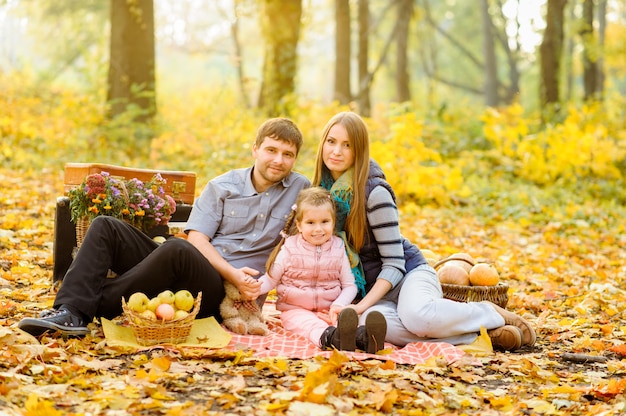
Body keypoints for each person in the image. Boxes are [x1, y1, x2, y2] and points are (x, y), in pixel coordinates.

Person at [18, 118, 310, 337]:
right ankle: (69, 311)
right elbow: (198, 238)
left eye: (288, 154)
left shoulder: (301, 189)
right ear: (255, 150)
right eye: (271, 150)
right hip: (208, 268)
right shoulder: (222, 186)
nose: (278, 160)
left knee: (175, 248)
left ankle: (89, 306)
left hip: (225, 299)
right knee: (106, 225)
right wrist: (231, 270)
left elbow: (322, 213)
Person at [311, 111, 536, 351]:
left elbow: (395, 264)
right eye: (331, 141)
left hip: (408, 274)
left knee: (417, 317)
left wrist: (361, 303)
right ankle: (482, 337)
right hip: (376, 292)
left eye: (347, 145)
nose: (336, 151)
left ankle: (488, 313)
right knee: (369, 324)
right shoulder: (321, 195)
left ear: (360, 151)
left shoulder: (374, 194)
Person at [254, 186, 386, 354]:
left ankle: (366, 338)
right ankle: (332, 339)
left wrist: (338, 305)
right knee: (310, 326)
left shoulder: (338, 247)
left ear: (333, 222)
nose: (318, 229)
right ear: (299, 225)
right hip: (295, 310)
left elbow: (349, 285)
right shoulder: (289, 249)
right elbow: (270, 279)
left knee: (343, 322)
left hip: (329, 309)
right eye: (310, 223)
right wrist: (253, 288)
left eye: (325, 222)